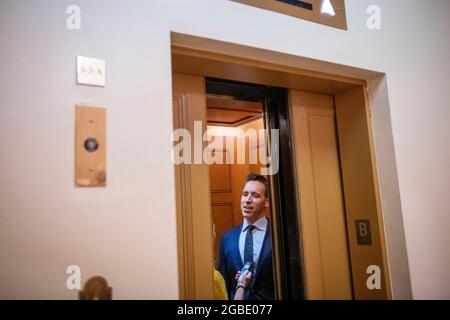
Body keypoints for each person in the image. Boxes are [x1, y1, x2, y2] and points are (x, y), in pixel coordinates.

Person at [218, 173, 274, 300]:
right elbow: (224, 286)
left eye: (255, 195)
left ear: (266, 202)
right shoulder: (227, 239)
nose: (248, 200)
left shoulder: (277, 235)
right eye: (245, 194)